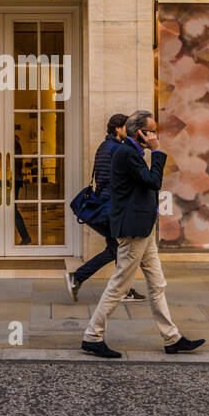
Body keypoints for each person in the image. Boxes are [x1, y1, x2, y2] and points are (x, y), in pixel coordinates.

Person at [81, 110, 205, 358]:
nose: (155, 135)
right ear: (140, 133)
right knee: (119, 285)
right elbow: (153, 181)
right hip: (133, 230)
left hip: (143, 229)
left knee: (157, 283)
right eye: (152, 131)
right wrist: (157, 152)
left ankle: (172, 338)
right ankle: (92, 336)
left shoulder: (132, 152)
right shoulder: (127, 154)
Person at [66, 113, 144, 303]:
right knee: (117, 249)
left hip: (106, 203)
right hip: (113, 205)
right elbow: (117, 179)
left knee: (117, 248)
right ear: (118, 129)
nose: (131, 131)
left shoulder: (105, 146)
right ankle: (78, 277)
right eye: (127, 127)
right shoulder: (117, 149)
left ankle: (121, 290)